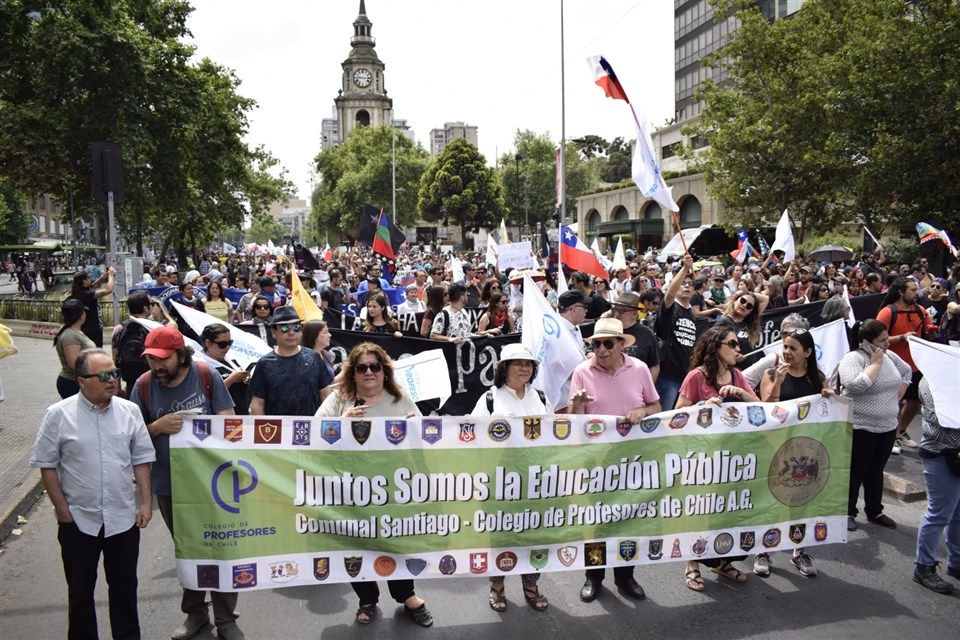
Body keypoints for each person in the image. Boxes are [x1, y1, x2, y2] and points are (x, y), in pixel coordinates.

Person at [30, 348, 155, 640]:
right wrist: (63, 512)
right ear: (81, 380)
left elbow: (141, 459)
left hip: (122, 520)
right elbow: (47, 465)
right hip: (79, 521)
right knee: (80, 593)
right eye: (103, 375)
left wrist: (146, 503)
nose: (112, 380)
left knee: (125, 589)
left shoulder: (129, 411)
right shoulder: (58, 415)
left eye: (114, 373)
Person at [131, 326, 241, 640]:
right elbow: (131, 436)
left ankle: (226, 619)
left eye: (163, 358)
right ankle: (196, 615)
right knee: (188, 550)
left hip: (212, 484)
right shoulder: (143, 385)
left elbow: (230, 425)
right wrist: (158, 426)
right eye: (151, 359)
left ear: (181, 355)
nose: (157, 365)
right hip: (168, 486)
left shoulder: (206, 375)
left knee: (220, 547)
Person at [315, 343, 434, 628]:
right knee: (357, 544)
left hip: (392, 487)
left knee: (397, 540)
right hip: (351, 487)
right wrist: (340, 423)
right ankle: (367, 599)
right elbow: (314, 434)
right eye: (361, 367)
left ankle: (406, 595)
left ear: (384, 370)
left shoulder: (399, 398)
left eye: (375, 366)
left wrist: (417, 426)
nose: (369, 372)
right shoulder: (339, 398)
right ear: (352, 372)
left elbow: (426, 437)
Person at [569, 318, 660, 604]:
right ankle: (594, 576)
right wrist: (577, 405)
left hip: (632, 460)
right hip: (595, 461)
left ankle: (625, 576)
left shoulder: (640, 369)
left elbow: (656, 406)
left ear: (622, 344)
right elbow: (573, 422)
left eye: (608, 343)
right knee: (596, 522)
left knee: (628, 520)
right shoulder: (582, 371)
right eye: (596, 344)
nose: (601, 349)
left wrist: (643, 412)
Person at [675, 325, 760, 591]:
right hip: (704, 459)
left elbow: (760, 410)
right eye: (732, 344)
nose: (738, 348)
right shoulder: (696, 377)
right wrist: (702, 406)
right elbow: (677, 414)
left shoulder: (737, 375)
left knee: (728, 512)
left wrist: (742, 394)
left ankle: (723, 562)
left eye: (738, 344)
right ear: (716, 347)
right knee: (701, 513)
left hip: (733, 459)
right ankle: (692, 565)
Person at [471, 344, 551, 612]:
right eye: (517, 363)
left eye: (528, 364)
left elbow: (554, 432)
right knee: (500, 535)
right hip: (500, 479)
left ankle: (531, 585)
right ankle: (497, 586)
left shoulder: (540, 396)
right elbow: (472, 436)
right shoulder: (489, 399)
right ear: (504, 368)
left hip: (535, 478)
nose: (524, 369)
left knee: (534, 533)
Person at [754, 328, 833, 578]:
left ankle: (799, 551)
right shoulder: (771, 373)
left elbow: (827, 411)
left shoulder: (817, 378)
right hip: (775, 448)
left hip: (805, 450)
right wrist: (778, 382)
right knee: (771, 500)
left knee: (801, 500)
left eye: (793, 348)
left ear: (807, 352)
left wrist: (829, 397)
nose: (786, 352)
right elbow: (766, 410)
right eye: (785, 346)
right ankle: (763, 549)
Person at [838, 319, 912, 532]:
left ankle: (875, 510)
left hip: (887, 426)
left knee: (876, 470)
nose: (887, 344)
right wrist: (875, 365)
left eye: (887, 339)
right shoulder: (853, 358)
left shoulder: (890, 356)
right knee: (856, 471)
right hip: (861, 426)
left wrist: (900, 393)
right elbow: (855, 386)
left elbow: (907, 371)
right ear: (866, 342)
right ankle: (848, 511)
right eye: (882, 341)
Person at [877, 278, 937, 454]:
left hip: (915, 366)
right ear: (901, 292)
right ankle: (893, 437)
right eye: (912, 290)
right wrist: (903, 337)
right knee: (895, 403)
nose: (916, 293)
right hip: (892, 365)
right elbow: (877, 339)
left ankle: (901, 431)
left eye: (916, 290)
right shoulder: (887, 312)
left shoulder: (921, 311)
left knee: (914, 403)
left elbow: (928, 337)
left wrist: (931, 333)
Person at [912, 377, 960, 594]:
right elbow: (938, 419)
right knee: (939, 513)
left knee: (958, 513)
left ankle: (956, 563)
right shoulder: (932, 379)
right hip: (940, 453)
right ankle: (924, 567)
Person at [249, 306, 332, 416]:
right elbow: (258, 403)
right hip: (276, 425)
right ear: (274, 332)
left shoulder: (314, 358)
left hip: (310, 424)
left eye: (296, 328)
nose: (291, 333)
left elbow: (325, 395)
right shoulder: (264, 364)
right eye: (285, 328)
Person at [654, 255, 699, 410]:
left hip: (685, 377)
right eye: (682, 284)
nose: (686, 286)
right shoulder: (671, 309)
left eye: (690, 284)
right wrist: (685, 268)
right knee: (663, 416)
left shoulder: (691, 315)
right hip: (668, 376)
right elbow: (669, 294)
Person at [201, 323, 251, 415]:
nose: (227, 348)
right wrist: (232, 379)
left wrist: (247, 380)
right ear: (208, 343)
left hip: (242, 415)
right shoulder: (201, 366)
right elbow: (205, 396)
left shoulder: (232, 362)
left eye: (229, 343)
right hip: (219, 418)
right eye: (222, 344)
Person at [608, 291, 660, 379]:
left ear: (634, 313)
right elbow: (590, 352)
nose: (617, 314)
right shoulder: (607, 330)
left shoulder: (646, 333)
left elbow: (655, 366)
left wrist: (647, 385)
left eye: (622, 311)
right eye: (615, 310)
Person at [54, 299, 97, 398]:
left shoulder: (73, 331)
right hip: (72, 383)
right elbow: (74, 363)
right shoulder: (70, 335)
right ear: (81, 315)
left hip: (79, 381)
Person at [69, 267, 115, 347]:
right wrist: (111, 276)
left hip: (87, 328)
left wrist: (104, 276)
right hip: (92, 329)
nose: (91, 279)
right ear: (84, 281)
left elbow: (95, 285)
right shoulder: (87, 294)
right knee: (95, 350)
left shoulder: (79, 291)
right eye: (89, 278)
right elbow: (108, 290)